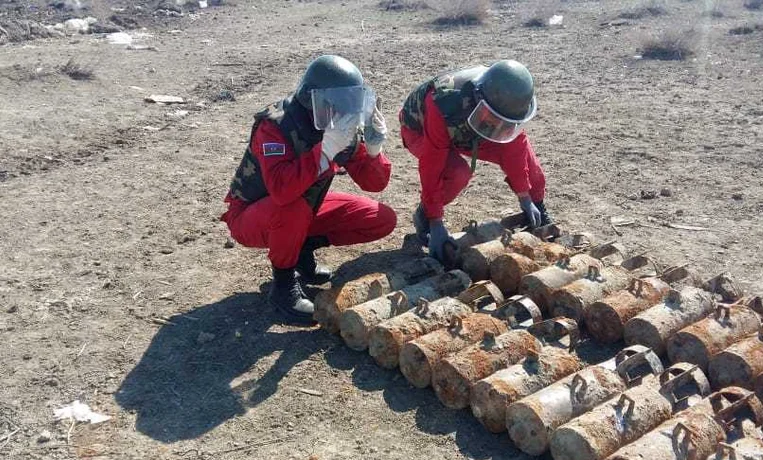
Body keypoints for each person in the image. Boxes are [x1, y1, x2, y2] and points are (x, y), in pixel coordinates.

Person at [221, 55, 396, 325]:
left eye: (349, 102)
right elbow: (281, 191)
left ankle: (301, 250)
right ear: (313, 99)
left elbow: (374, 184)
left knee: (380, 218)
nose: (344, 110)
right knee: (292, 206)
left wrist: (374, 151)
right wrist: (325, 150)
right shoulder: (276, 125)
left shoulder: (341, 124)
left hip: (302, 207)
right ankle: (283, 287)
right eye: (337, 103)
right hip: (251, 216)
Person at [399, 60, 552, 262]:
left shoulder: (510, 106)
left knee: (530, 165)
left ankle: (538, 211)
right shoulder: (443, 101)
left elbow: (515, 149)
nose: (503, 126)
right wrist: (435, 220)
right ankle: (424, 217)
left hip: (471, 129)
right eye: (498, 120)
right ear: (480, 100)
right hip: (421, 130)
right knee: (457, 173)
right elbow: (432, 166)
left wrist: (526, 196)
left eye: (507, 122)